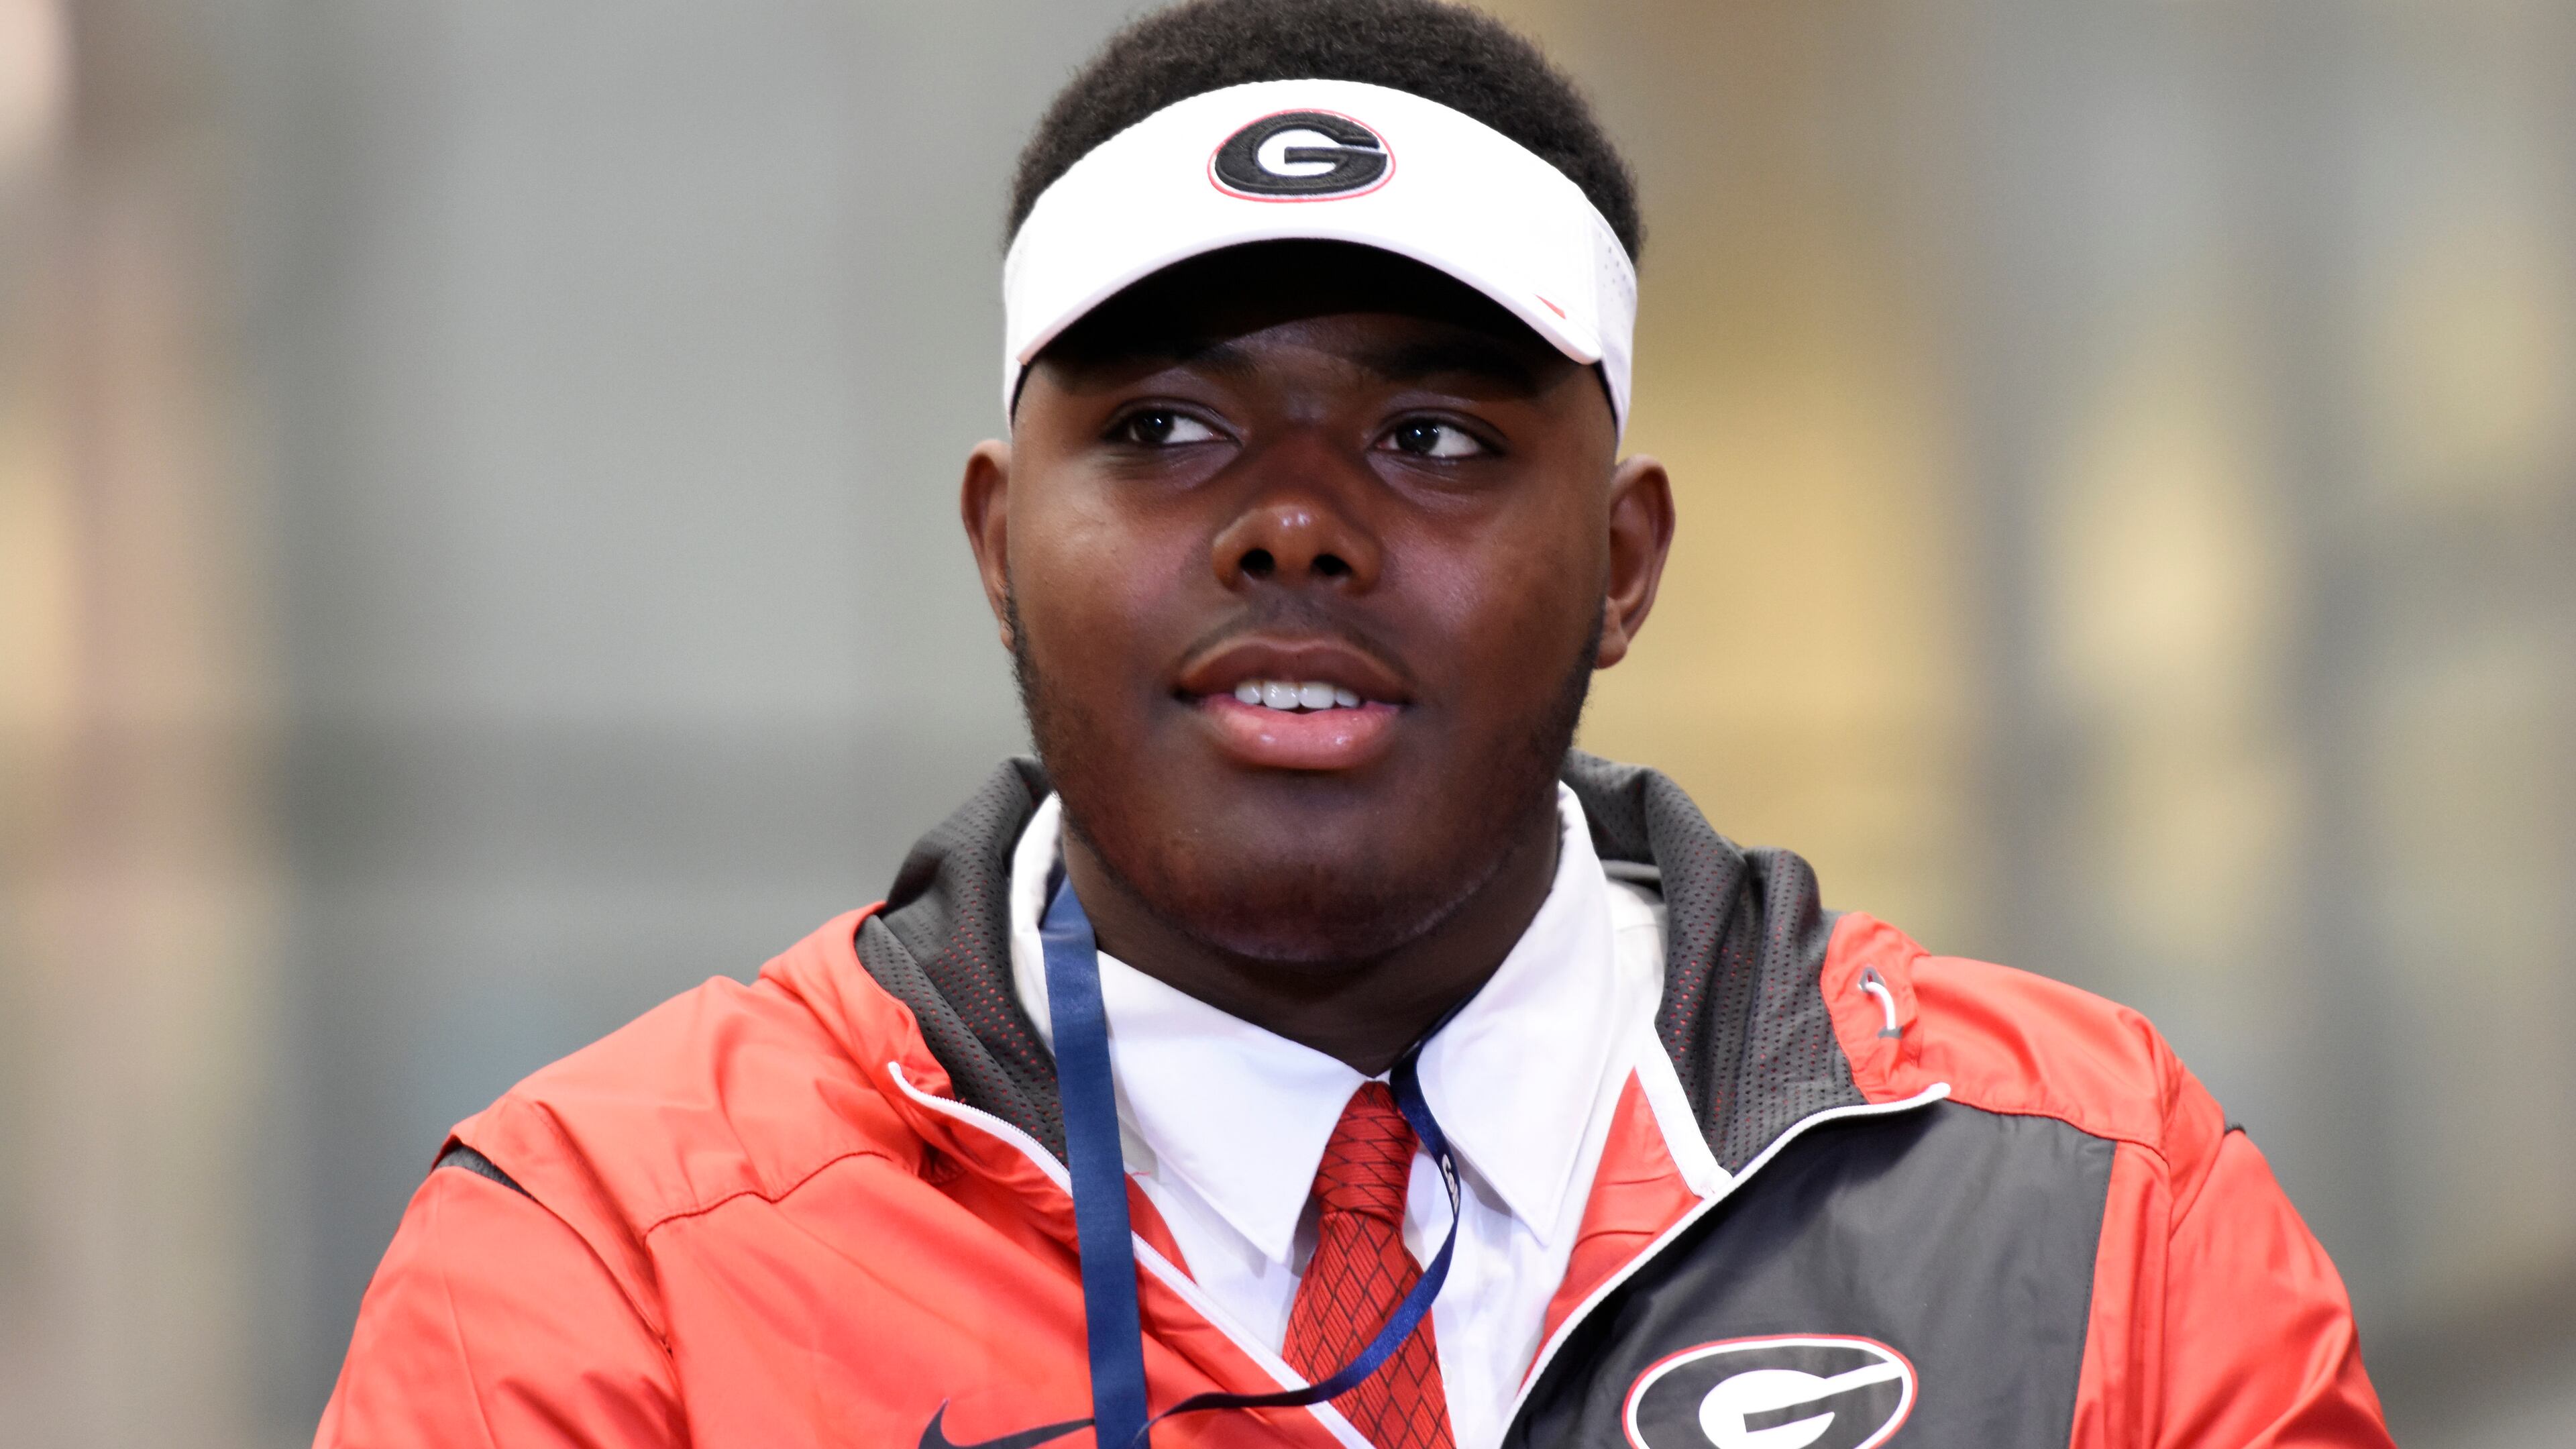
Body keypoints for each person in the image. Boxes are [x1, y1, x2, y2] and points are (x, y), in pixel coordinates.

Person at [314, 2, 2396, 1446]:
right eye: (1165, 428)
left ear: (1626, 559)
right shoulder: (614, 1275)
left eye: (1429, 433)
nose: (1295, 526)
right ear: (994, 537)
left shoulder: (2086, 1215)